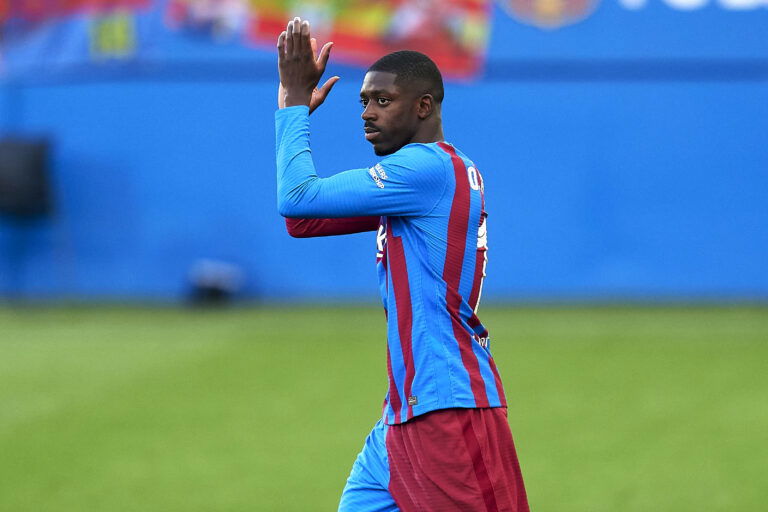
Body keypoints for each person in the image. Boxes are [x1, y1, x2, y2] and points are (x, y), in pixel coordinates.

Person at [275, 17, 529, 512]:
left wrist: (291, 106)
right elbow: (302, 221)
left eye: (383, 101)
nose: (368, 113)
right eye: (363, 101)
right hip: (405, 413)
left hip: (449, 407)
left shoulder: (423, 169)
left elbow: (298, 196)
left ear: (424, 106)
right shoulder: (431, 176)